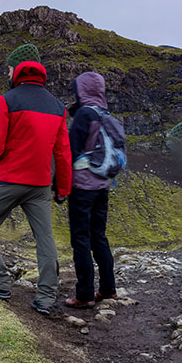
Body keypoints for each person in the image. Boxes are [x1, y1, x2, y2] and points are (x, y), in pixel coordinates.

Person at [0, 45, 72, 316]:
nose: (7, 72)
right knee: (44, 238)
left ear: (17, 70)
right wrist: (62, 188)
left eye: (9, 68)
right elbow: (62, 153)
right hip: (39, 185)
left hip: (9, 180)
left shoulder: (7, 100)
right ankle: (46, 297)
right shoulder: (58, 107)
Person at [64, 72, 118, 308]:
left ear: (82, 91)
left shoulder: (85, 115)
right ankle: (108, 289)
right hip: (103, 187)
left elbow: (69, 153)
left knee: (81, 239)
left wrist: (59, 186)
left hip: (83, 188)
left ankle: (84, 295)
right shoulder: (108, 116)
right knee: (99, 237)